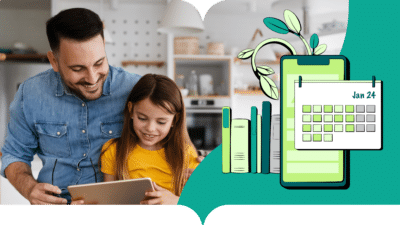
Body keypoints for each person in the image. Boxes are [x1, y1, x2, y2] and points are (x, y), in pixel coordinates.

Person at [0, 8, 202, 205]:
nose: (92, 78)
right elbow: (14, 154)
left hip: (118, 210)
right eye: (78, 69)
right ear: (54, 61)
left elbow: (175, 139)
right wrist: (29, 189)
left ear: (104, 46)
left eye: (99, 63)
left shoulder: (136, 90)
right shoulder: (31, 94)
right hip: (56, 208)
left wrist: (197, 170)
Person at [100, 74, 199, 205]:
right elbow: (109, 204)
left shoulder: (186, 154)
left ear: (175, 119)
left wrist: (176, 201)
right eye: (142, 118)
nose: (150, 128)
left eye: (161, 122)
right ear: (130, 110)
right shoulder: (113, 150)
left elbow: (200, 206)